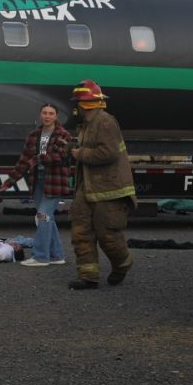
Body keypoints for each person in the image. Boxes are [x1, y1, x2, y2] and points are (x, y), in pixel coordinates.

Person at [66, 79, 137, 290]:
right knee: (81, 233)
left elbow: (108, 152)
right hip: (87, 189)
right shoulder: (88, 125)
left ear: (82, 104)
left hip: (110, 191)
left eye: (78, 103)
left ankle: (122, 265)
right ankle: (88, 277)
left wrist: (81, 154)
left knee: (109, 236)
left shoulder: (105, 122)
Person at [0, 104, 73, 267]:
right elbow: (24, 160)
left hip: (55, 182)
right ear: (41, 115)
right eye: (44, 113)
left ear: (56, 116)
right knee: (47, 218)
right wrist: (10, 181)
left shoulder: (64, 135)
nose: (47, 116)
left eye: (51, 113)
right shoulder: (33, 135)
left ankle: (40, 257)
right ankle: (57, 255)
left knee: (42, 217)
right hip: (37, 181)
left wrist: (38, 159)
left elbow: (59, 156)